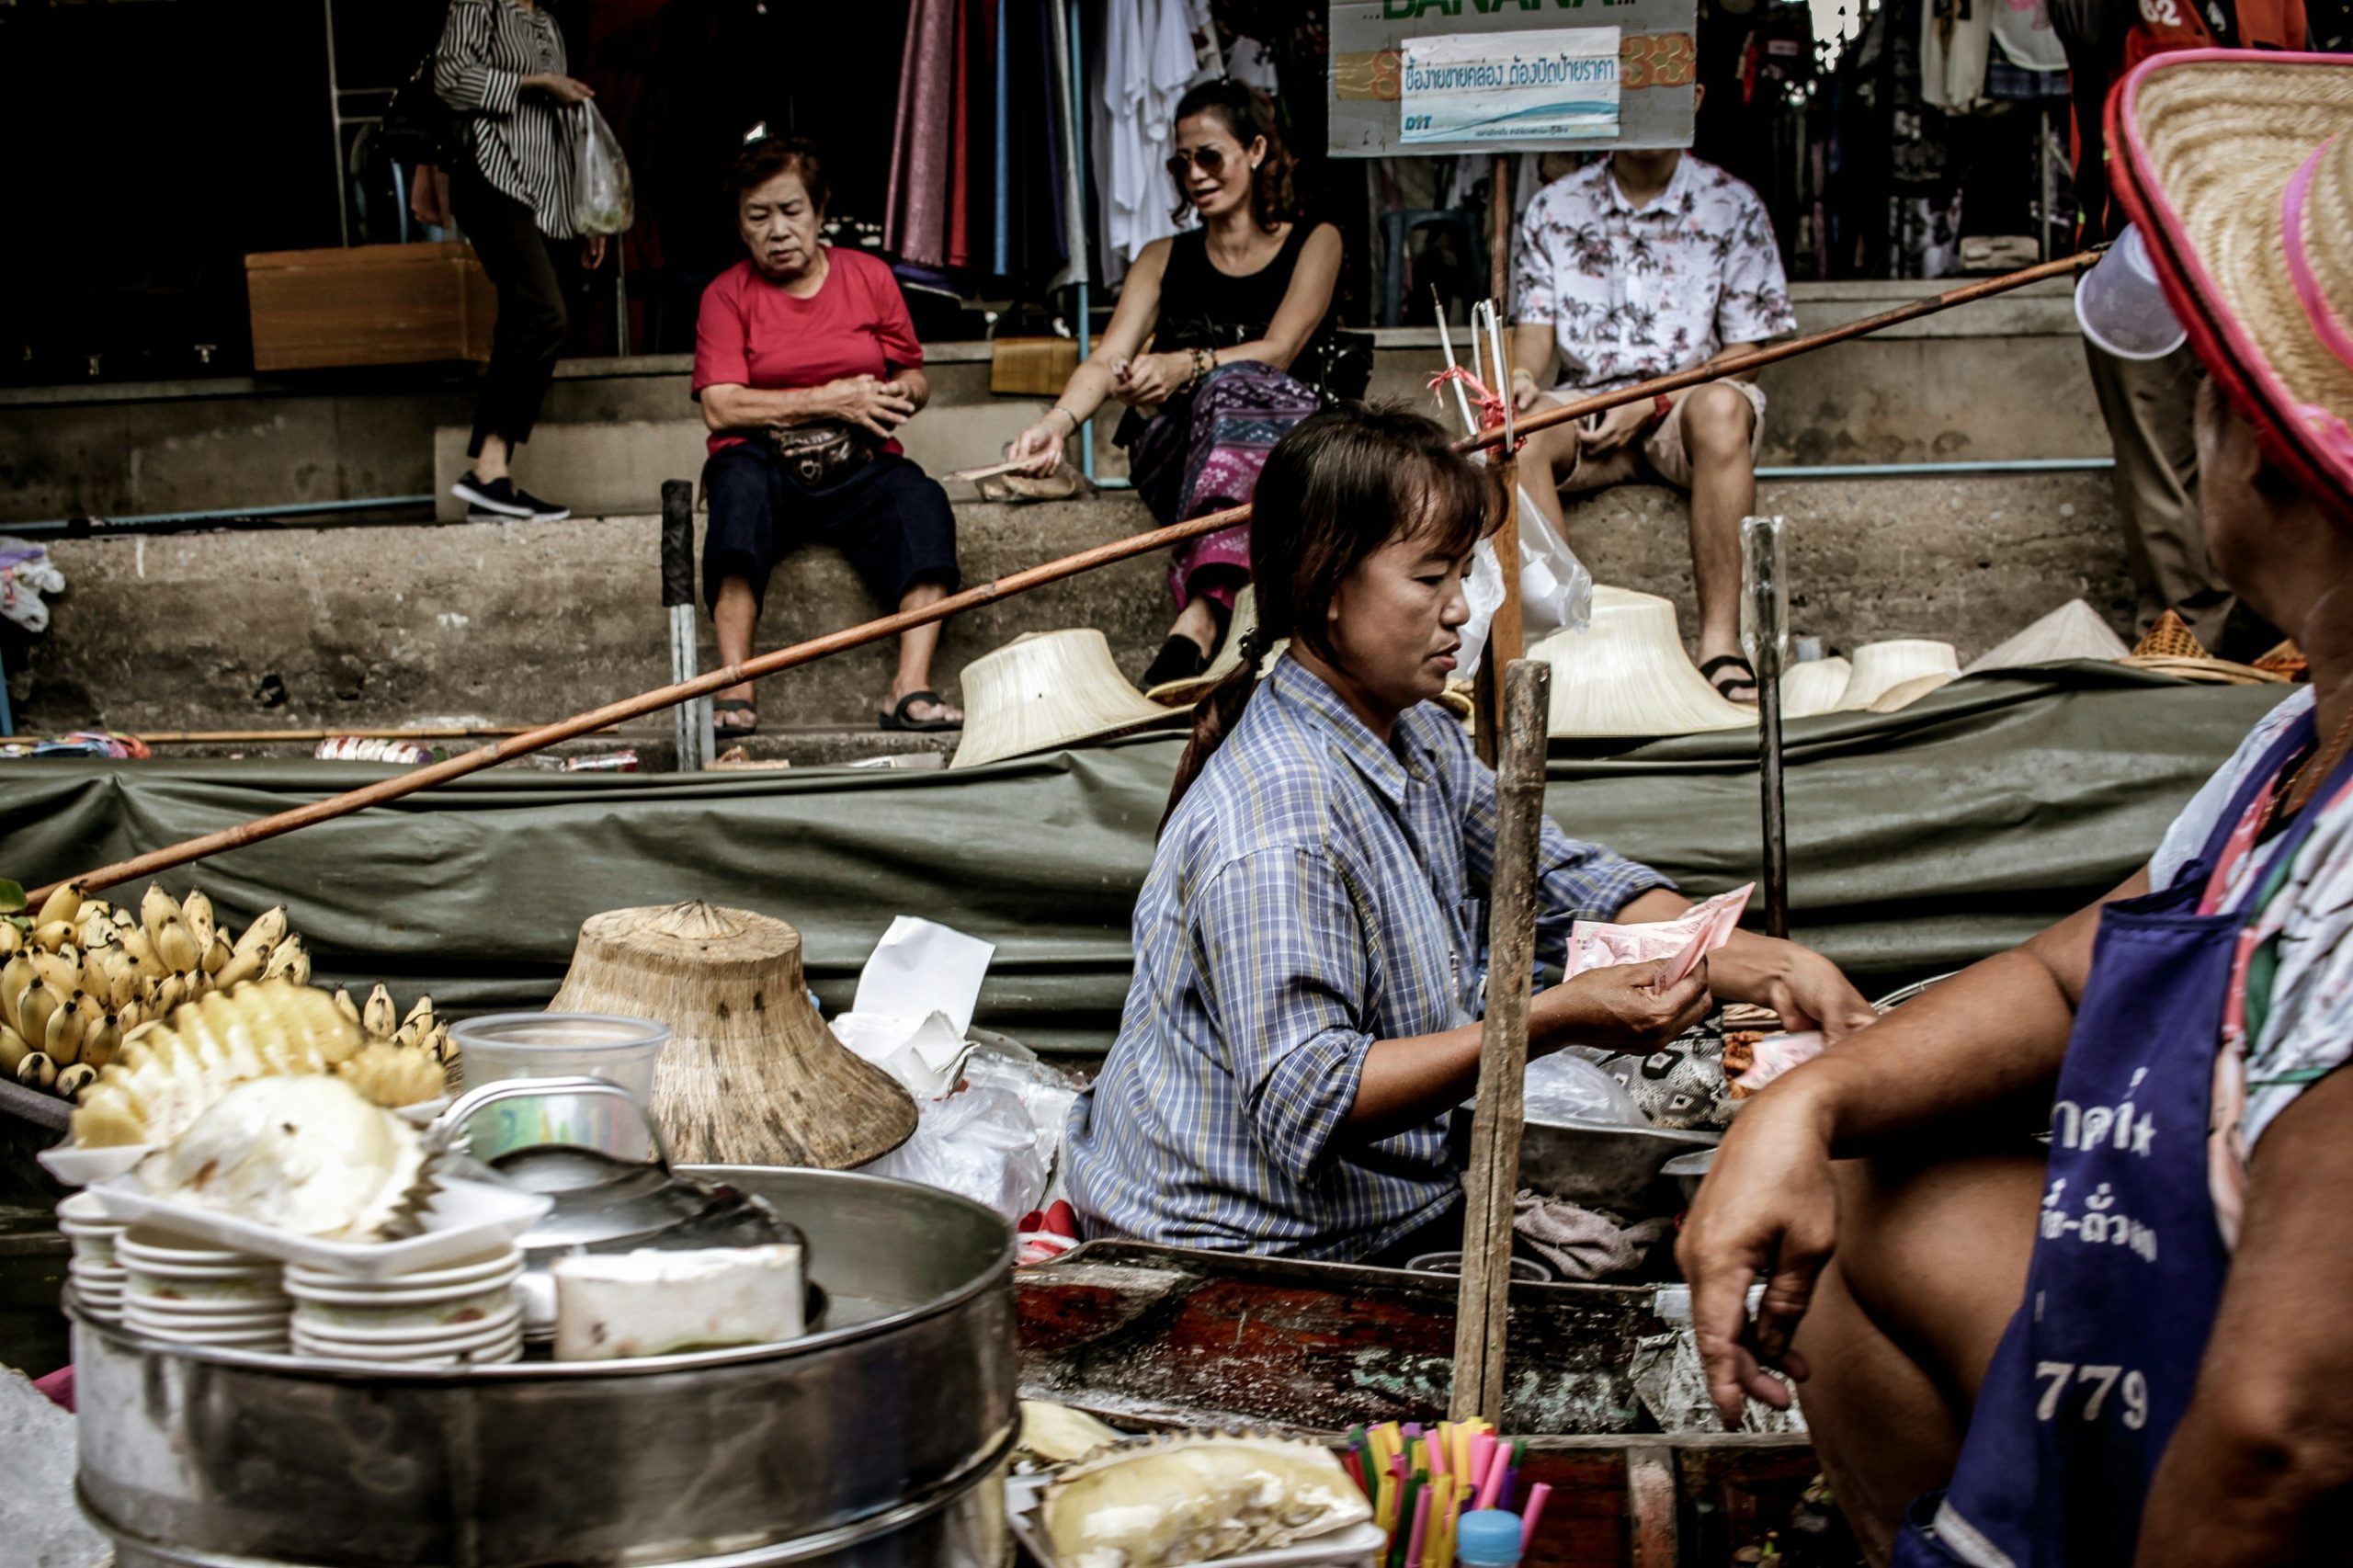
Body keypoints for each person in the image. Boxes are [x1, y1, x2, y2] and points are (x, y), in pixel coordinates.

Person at [1677, 53, 2353, 1567]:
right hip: (2168, 1340)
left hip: (2246, 1469)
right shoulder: (2291, 759)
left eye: (2223, 397)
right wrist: (1813, 1100)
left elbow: (2285, 1436)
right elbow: (2079, 967)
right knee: (1873, 1192)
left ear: (2279, 459)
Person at [1063, 404, 1875, 1263]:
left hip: (1387, 1193)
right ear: (1327, 588)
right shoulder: (1280, 817)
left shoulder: (1412, 734)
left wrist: (1761, 961)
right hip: (1247, 1243)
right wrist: (1551, 1019)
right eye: (1429, 579)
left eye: (1464, 575)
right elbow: (1313, 1096)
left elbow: (1560, 879)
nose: (1461, 611)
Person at [1006, 80, 1346, 690]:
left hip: (1294, 458)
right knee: (1217, 399)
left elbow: (1280, 350)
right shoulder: (1161, 257)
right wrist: (1055, 425)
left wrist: (1183, 365)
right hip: (1188, 460)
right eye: (1181, 162)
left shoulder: (1314, 241)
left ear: (1258, 151)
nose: (1195, 174)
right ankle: (1218, 611)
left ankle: (1202, 615)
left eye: (1210, 156)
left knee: (1236, 386)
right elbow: (1105, 359)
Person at [2050, 0, 2310, 661]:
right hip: (2141, 250)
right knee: (2159, 466)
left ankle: (2285, 638)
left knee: (2276, 448)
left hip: (2253, 244)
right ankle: (2186, 650)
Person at [1507, 132, 1795, 703]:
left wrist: (1657, 399)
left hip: (1687, 400)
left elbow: (1751, 351)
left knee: (1724, 407)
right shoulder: (1554, 205)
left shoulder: (1730, 202)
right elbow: (1535, 335)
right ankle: (1571, 638)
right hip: (1585, 404)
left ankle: (1720, 644)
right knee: (1519, 430)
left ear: (1694, 100)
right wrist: (1520, 375)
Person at [693, 133, 961, 737]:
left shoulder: (868, 277)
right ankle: (735, 684)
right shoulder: (725, 295)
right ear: (740, 225)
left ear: (820, 213)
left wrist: (902, 395)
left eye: (791, 211)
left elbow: (912, 374)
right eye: (758, 216)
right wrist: (830, 397)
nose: (777, 230)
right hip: (765, 461)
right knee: (735, 501)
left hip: (859, 461)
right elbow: (721, 407)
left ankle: (909, 686)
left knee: (921, 505)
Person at [434, 0, 608, 523]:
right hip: (492, 177)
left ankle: (492, 479)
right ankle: (488, 473)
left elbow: (559, 130)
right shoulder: (479, 4)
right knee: (543, 313)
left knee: (526, 316)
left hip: (544, 193)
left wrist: (586, 214)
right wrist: (533, 84)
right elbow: (449, 77)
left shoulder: (546, 22)